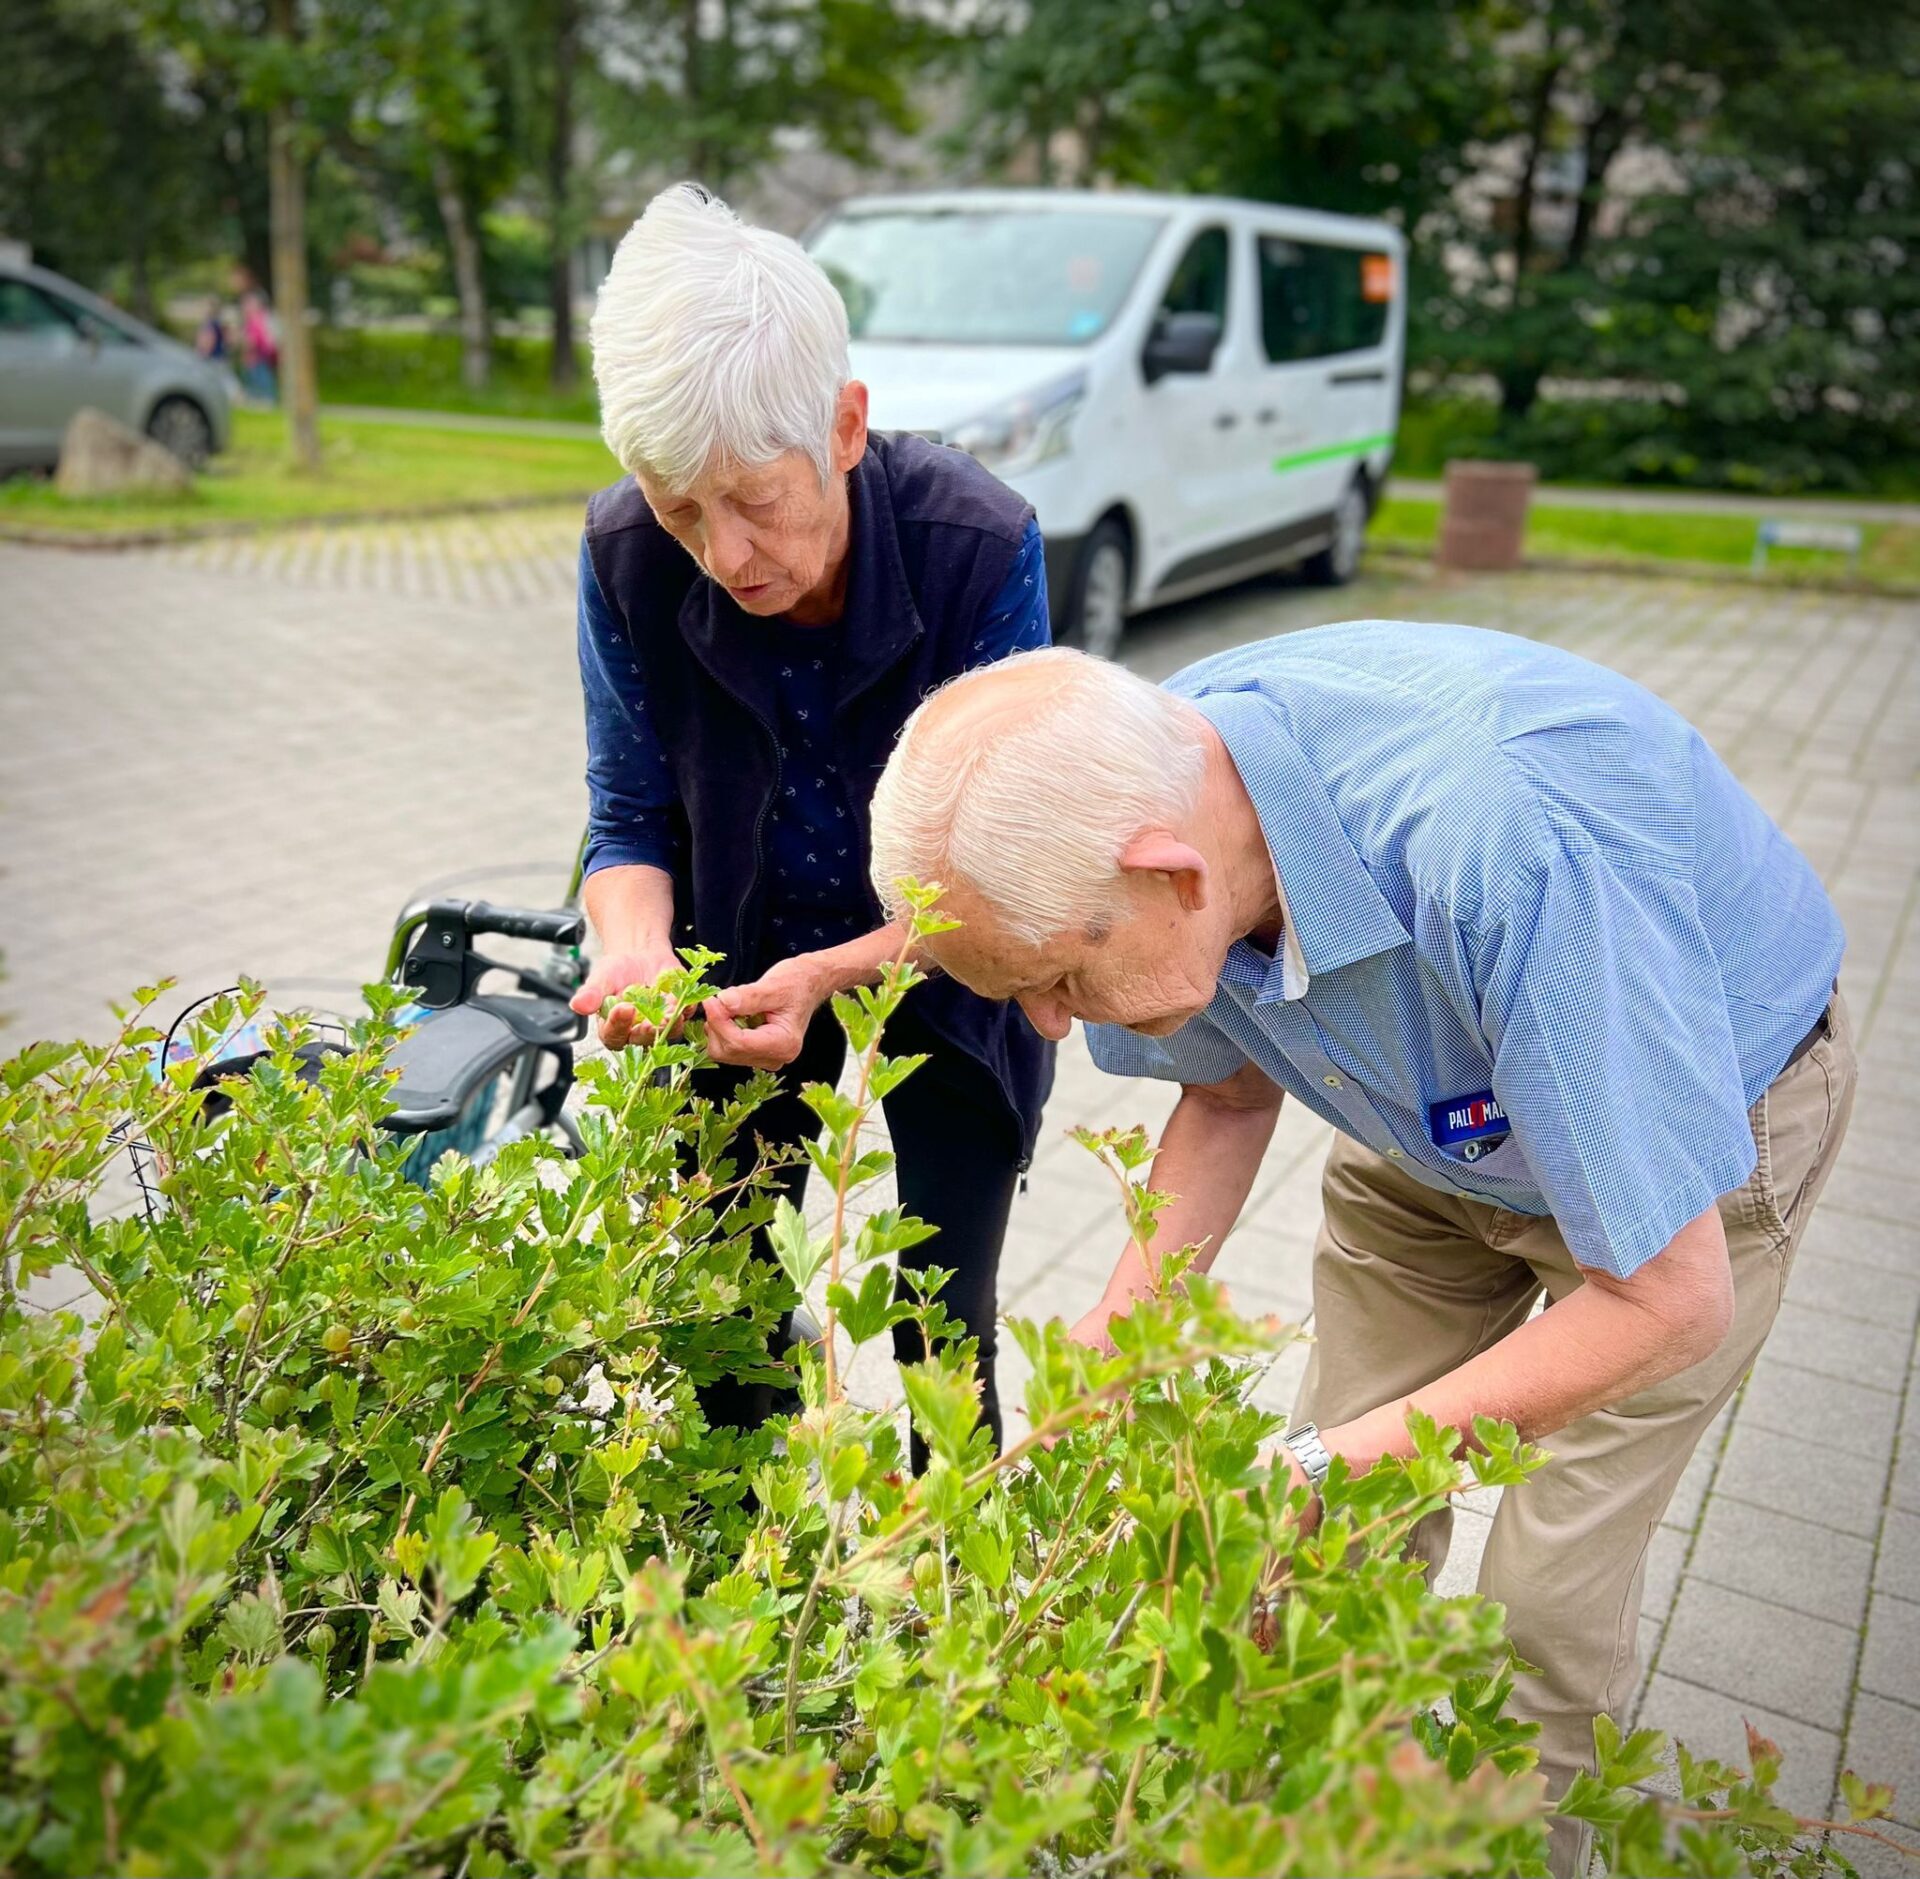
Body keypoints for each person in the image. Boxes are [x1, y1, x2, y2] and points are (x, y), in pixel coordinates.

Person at [866, 634, 1852, 1874]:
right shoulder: (1159, 798)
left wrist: (1314, 1467)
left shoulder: (1501, 841)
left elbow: (1666, 1299)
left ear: (1168, 875)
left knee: (1536, 1609)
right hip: (1427, 1108)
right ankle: (1334, 1839)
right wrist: (1087, 1390)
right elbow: (1224, 1104)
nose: (1052, 1023)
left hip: (1686, 1141)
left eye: (1061, 975)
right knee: (1329, 1534)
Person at [567, 184, 1054, 1467]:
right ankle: (750, 1608)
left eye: (754, 502)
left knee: (940, 1320)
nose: (724, 553)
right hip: (734, 970)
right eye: (680, 508)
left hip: (948, 961)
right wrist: (630, 952)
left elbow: (1008, 878)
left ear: (845, 427)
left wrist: (839, 974)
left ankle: (957, 1602)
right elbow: (626, 819)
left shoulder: (979, 545)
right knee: (728, 1321)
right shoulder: (623, 551)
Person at [238, 285, 278, 403]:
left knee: (261, 387)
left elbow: (252, 341)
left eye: (248, 303)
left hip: (258, 359)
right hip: (259, 359)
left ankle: (265, 401)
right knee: (259, 384)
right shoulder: (258, 318)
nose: (244, 307)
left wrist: (243, 342)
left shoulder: (256, 319)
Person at [195, 299, 229, 363]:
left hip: (212, 359)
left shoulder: (210, 324)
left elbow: (209, 342)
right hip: (218, 357)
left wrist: (202, 355)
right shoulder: (218, 324)